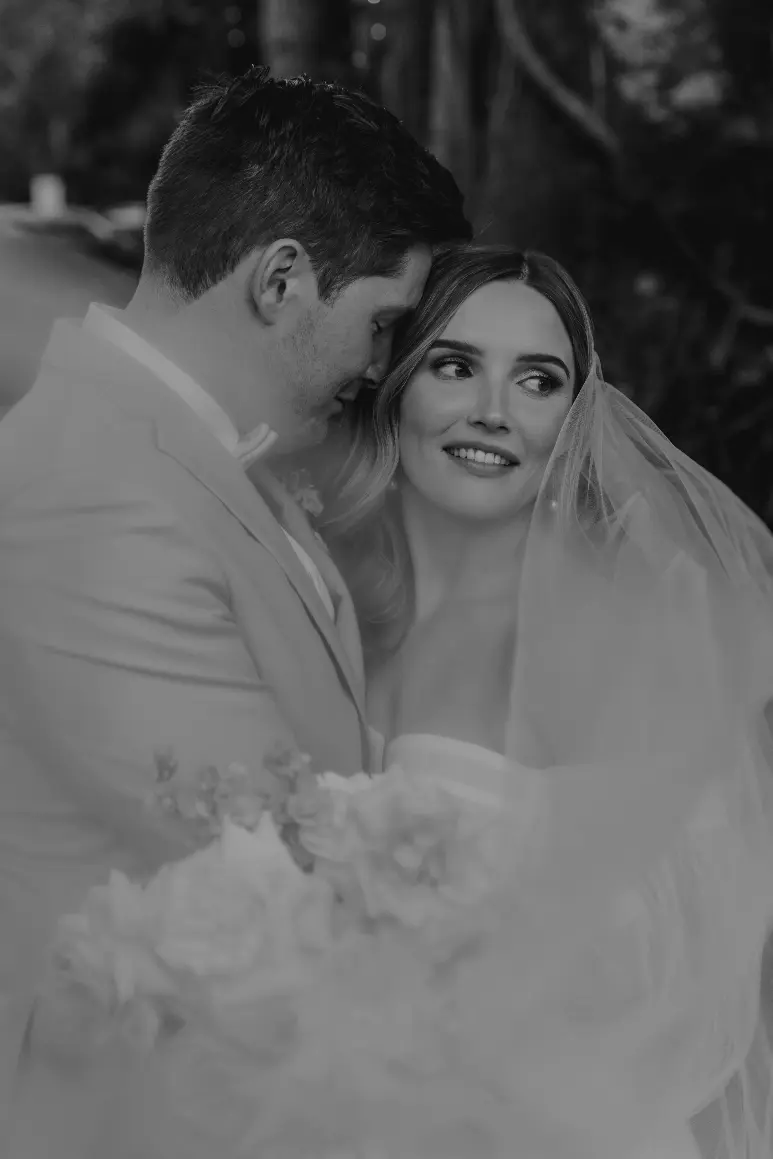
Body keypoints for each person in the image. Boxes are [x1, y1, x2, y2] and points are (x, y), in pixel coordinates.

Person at [0, 64, 471, 1144]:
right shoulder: (91, 490)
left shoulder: (216, 461)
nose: (381, 364)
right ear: (280, 280)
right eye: (383, 320)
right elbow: (254, 854)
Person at [311, 244, 773, 1158]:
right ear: (395, 381)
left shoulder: (607, 634)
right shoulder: (326, 594)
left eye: (536, 381)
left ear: (573, 413)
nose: (493, 411)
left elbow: (680, 970)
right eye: (455, 366)